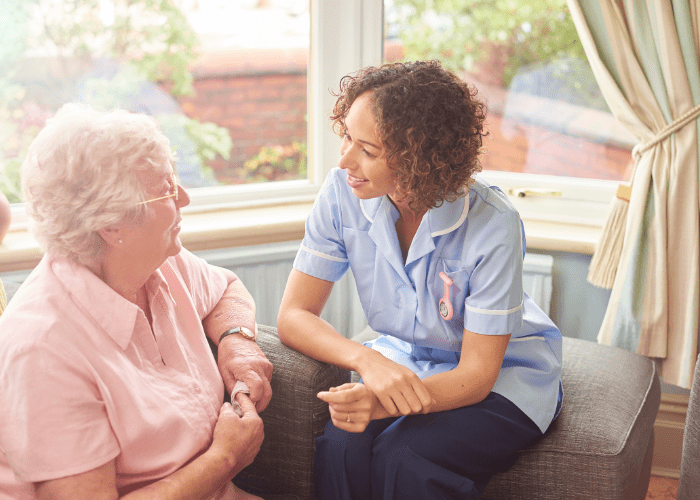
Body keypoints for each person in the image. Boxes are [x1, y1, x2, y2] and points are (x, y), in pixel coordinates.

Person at [277, 60, 563, 499]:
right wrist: (368, 362)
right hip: (402, 358)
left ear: (420, 159)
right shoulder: (341, 194)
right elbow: (294, 316)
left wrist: (377, 402)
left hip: (502, 376)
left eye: (368, 150)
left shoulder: (492, 224)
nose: (346, 161)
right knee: (340, 445)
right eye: (347, 139)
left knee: (406, 456)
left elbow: (476, 374)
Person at [0, 104, 273, 500]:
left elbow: (226, 289)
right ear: (111, 226)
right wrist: (225, 459)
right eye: (164, 189)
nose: (184, 198)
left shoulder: (161, 261)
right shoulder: (42, 349)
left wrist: (237, 341)